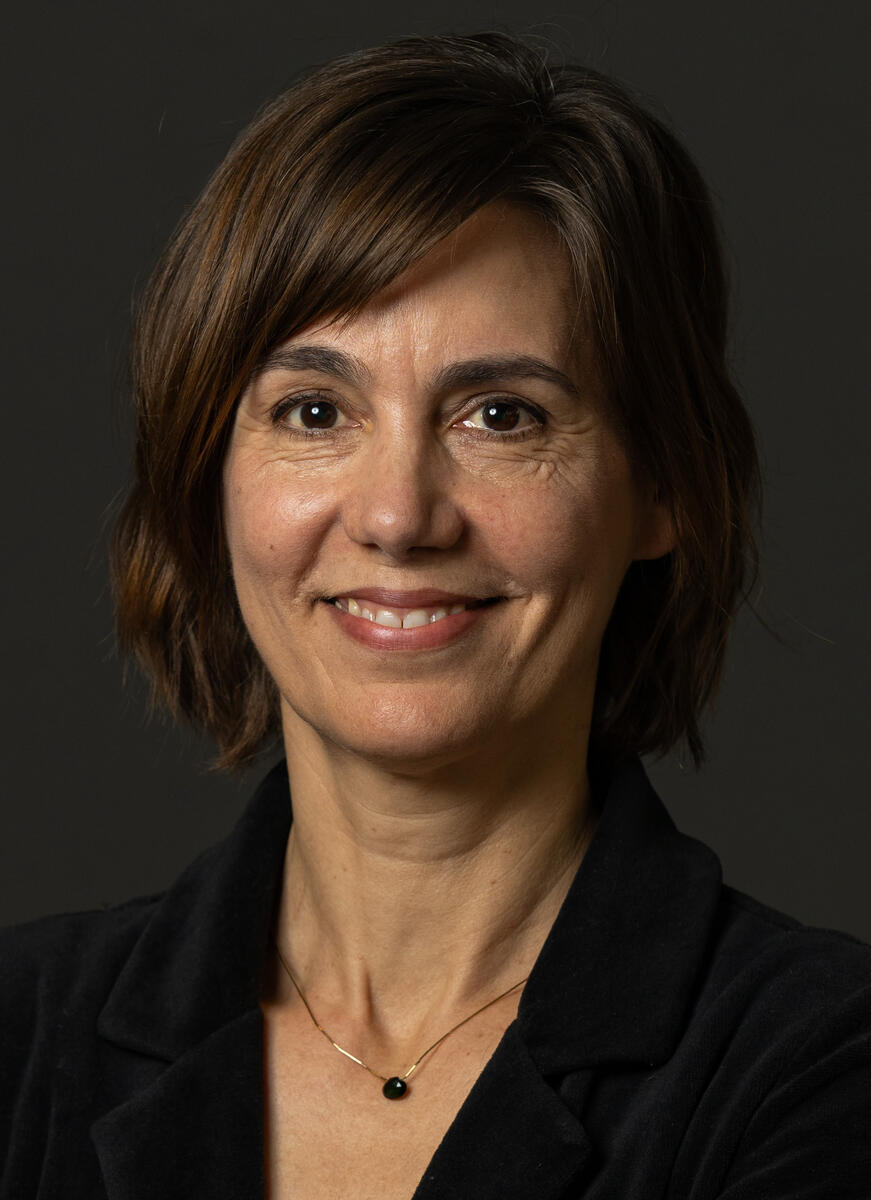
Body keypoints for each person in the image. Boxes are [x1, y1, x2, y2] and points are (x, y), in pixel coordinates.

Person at [1, 29, 869, 1200]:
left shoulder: (818, 1069)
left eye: (500, 415)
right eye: (314, 412)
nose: (400, 516)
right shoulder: (17, 1040)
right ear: (210, 477)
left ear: (663, 483)